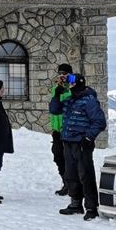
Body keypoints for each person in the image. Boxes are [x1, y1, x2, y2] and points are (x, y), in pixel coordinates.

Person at [53, 73, 107, 220]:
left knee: (85, 174)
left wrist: (88, 137)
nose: (69, 85)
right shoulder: (70, 100)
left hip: (82, 143)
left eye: (71, 82)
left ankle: (91, 207)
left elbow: (100, 121)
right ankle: (76, 203)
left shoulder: (89, 100)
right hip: (68, 142)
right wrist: (57, 94)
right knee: (70, 174)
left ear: (78, 83)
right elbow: (54, 110)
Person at [49, 64, 74, 195]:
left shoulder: (73, 88)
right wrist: (53, 128)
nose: (62, 76)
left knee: (70, 158)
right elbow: (53, 109)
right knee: (58, 156)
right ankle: (66, 182)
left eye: (65, 73)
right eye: (60, 73)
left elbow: (68, 100)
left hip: (68, 129)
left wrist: (67, 87)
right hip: (57, 130)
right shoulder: (55, 89)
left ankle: (73, 184)